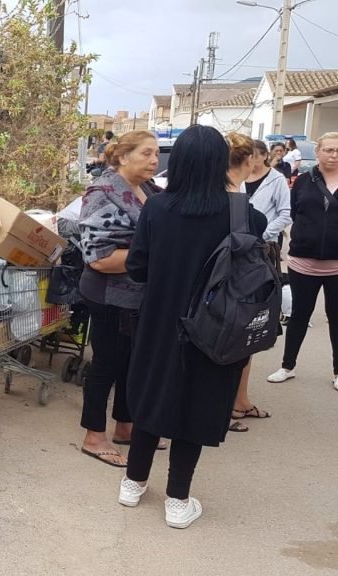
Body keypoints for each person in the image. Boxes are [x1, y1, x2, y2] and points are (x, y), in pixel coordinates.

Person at [118, 125, 267, 529]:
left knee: (151, 391)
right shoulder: (242, 213)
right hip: (216, 326)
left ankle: (133, 483)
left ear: (178, 161)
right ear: (221, 162)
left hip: (159, 320)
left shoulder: (157, 208)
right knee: (196, 403)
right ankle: (178, 501)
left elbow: (137, 267)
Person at [77, 130, 162, 468]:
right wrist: (157, 257)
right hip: (108, 295)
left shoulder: (151, 191)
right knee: (106, 364)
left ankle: (125, 426)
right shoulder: (103, 193)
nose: (154, 160)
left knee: (131, 363)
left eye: (156, 153)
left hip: (138, 297)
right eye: (146, 153)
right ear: (123, 156)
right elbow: (98, 257)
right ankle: (93, 436)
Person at [267, 132, 338, 391]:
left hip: (337, 265)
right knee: (299, 315)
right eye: (328, 149)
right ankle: (287, 365)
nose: (333, 155)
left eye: (337, 150)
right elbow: (293, 212)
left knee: (336, 317)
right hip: (303, 261)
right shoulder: (304, 181)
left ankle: (337, 370)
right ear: (317, 152)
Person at [224, 134, 281, 431]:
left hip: (225, 289)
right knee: (234, 347)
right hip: (236, 289)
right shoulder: (243, 209)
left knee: (240, 348)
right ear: (249, 160)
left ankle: (239, 400)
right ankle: (226, 409)